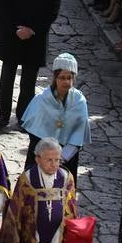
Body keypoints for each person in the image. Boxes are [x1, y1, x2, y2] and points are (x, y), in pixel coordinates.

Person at [0, 0, 63, 131]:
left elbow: (52, 12)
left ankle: (23, 117)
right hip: (12, 35)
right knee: (6, 79)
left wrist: (32, 30)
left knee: (28, 82)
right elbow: (5, 5)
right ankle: (3, 115)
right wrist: (16, 29)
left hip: (35, 38)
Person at [22, 52, 91, 183]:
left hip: (66, 157)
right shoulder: (42, 99)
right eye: (62, 77)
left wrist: (61, 157)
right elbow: (35, 133)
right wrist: (47, 157)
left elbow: (79, 132)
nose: (66, 82)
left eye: (69, 78)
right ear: (55, 78)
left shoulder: (79, 101)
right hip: (41, 153)